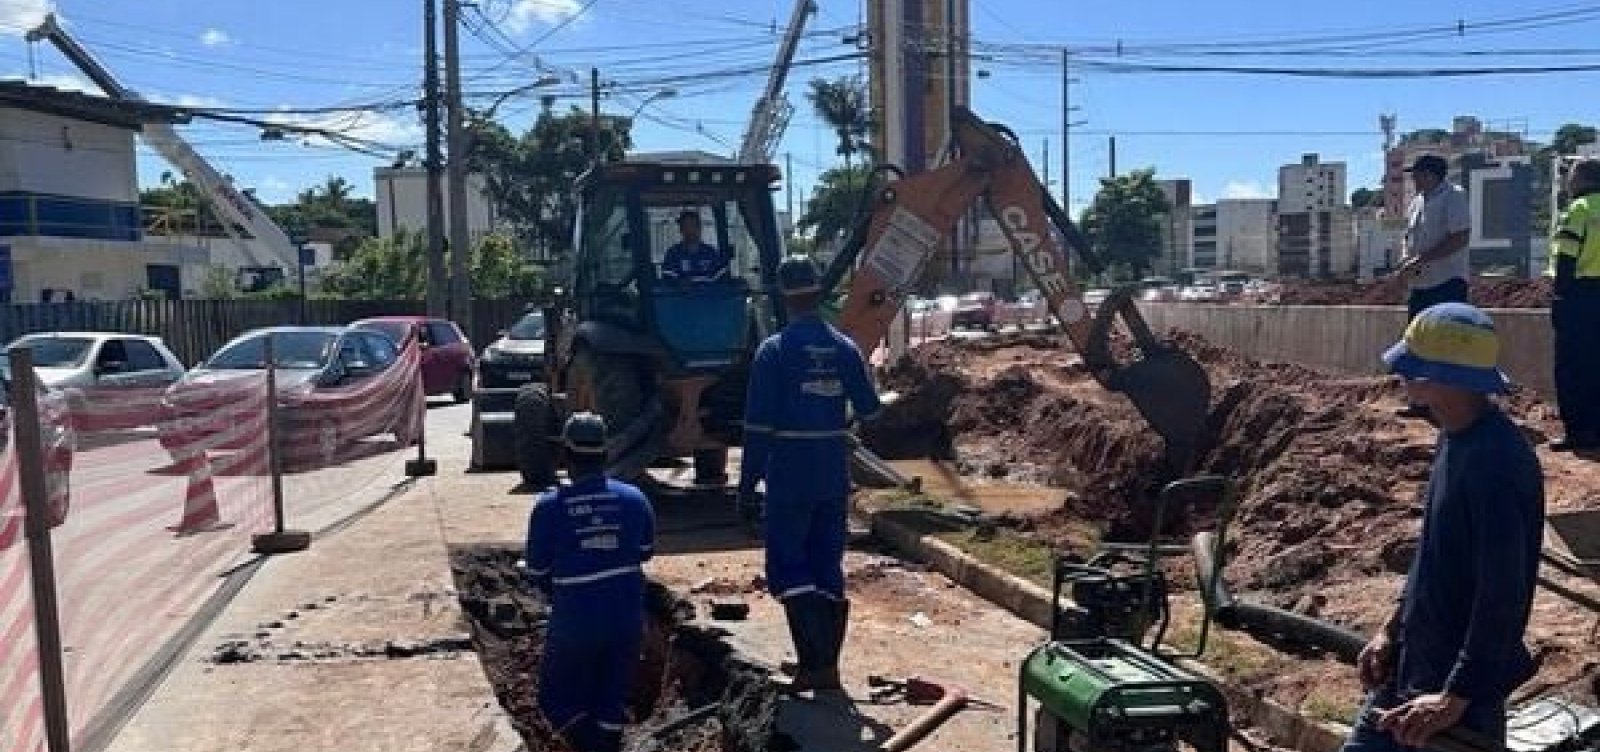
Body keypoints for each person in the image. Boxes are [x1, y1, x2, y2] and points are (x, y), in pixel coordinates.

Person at [1340, 303, 1544, 752]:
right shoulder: (1454, 438)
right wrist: (1391, 630)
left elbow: (1502, 596)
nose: (1402, 376)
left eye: (1413, 366)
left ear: (1445, 378)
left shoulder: (1498, 464)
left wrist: (1456, 696)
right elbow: (1433, 560)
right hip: (1413, 671)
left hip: (1456, 702)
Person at [739, 255, 882, 693]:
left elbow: (758, 427)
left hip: (790, 473)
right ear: (819, 292)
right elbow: (871, 409)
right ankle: (826, 669)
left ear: (784, 296)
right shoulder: (844, 348)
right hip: (831, 474)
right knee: (826, 564)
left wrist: (747, 484)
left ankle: (812, 665)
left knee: (788, 564)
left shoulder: (774, 352)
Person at [524, 413, 656, 752]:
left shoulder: (550, 507)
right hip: (627, 619)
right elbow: (643, 552)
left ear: (566, 456)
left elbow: (538, 571)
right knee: (610, 701)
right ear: (605, 453)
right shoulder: (635, 499)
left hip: (574, 623)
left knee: (556, 702)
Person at [1394, 154, 1473, 420]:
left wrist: (1422, 259)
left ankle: (1448, 404)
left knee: (1444, 343)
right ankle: (1421, 401)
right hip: (1422, 284)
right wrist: (1406, 263)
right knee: (1417, 342)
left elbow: (1460, 237)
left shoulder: (1454, 196)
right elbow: (1410, 238)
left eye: (1416, 174)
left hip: (1446, 281)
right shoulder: (1417, 202)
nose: (1413, 179)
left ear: (1430, 174)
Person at [1548, 158, 1600, 452]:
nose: (1568, 182)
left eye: (1571, 176)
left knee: (1571, 367)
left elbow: (1567, 256)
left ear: (1582, 180)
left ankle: (1578, 432)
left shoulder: (1578, 210)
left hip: (1580, 296)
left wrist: (1560, 295)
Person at [659, 210, 732, 285]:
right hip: (680, 296)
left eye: (693, 226)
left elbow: (722, 281)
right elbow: (668, 282)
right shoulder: (672, 255)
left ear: (699, 228)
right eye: (686, 226)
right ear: (681, 230)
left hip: (710, 295)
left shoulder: (712, 254)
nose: (690, 230)